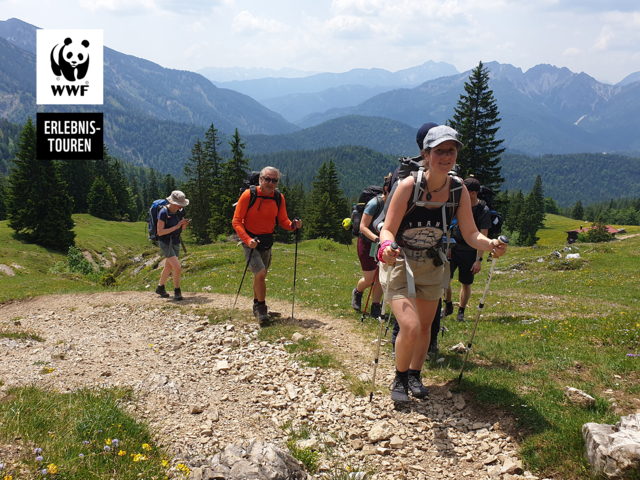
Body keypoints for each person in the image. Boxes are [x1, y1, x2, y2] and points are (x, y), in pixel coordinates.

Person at [378, 125, 507, 403]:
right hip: (400, 262)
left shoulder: (457, 190)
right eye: (440, 151)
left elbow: (472, 234)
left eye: (451, 150)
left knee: (426, 327)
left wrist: (491, 244)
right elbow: (387, 229)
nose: (446, 156)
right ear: (426, 154)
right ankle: (400, 377)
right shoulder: (408, 186)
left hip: (432, 263)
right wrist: (387, 247)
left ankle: (415, 373)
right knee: (410, 327)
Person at [232, 166, 302, 323]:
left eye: (274, 180)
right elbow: (236, 221)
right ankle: (262, 309)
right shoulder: (248, 195)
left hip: (267, 240)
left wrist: (292, 225)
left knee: (260, 275)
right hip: (250, 240)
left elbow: (282, 220)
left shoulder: (278, 197)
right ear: (260, 179)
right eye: (267, 179)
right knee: (261, 273)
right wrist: (247, 240)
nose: (271, 183)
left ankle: (256, 305)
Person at [444, 177, 491, 322]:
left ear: (473, 193)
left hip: (469, 251)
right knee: (445, 279)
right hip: (452, 247)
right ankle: (448, 306)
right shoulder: (457, 206)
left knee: (466, 283)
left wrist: (479, 259)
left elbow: (483, 234)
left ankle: (461, 311)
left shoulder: (483, 210)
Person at [352, 175, 391, 318]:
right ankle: (358, 292)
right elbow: (363, 227)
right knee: (370, 279)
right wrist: (376, 238)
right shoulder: (375, 204)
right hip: (368, 243)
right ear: (386, 190)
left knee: (381, 277)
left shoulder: (394, 205)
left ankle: (376, 307)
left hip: (383, 244)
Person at [155, 190, 190, 301]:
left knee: (168, 267)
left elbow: (181, 230)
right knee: (177, 268)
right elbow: (160, 232)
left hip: (175, 241)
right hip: (165, 242)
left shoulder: (180, 212)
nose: (181, 206)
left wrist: (183, 225)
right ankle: (177, 290)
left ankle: (160, 287)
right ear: (174, 203)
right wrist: (176, 227)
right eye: (180, 204)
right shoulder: (163, 213)